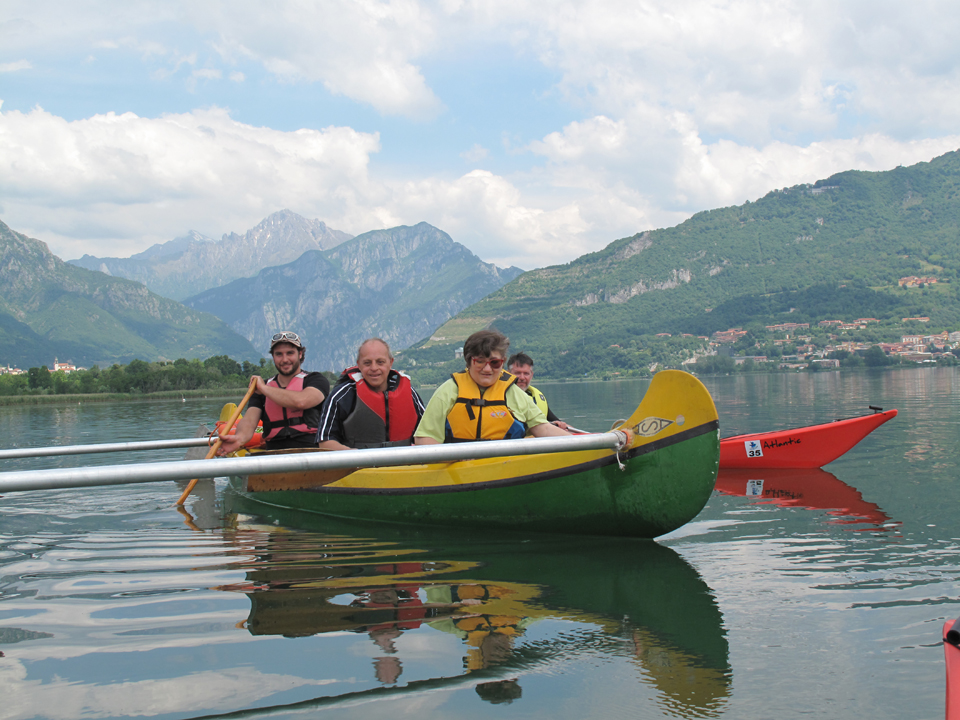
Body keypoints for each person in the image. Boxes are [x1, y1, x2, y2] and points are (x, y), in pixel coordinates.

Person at [414, 329, 571, 444]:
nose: (487, 369)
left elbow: (543, 428)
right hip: (457, 469)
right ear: (469, 361)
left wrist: (590, 444)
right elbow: (424, 438)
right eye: (480, 361)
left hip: (505, 467)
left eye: (494, 363)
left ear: (502, 362)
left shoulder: (513, 393)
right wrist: (453, 457)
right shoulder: (448, 391)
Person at [218, 331, 329, 454]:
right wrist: (239, 439)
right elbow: (250, 421)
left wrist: (264, 389)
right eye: (279, 354)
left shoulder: (316, 380)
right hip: (275, 453)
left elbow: (301, 401)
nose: (285, 359)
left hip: (312, 451)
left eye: (290, 353)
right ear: (273, 357)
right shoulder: (260, 390)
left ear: (300, 354)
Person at [317, 338, 425, 450]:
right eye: (367, 363)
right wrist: (354, 456)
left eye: (380, 362)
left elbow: (427, 433)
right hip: (359, 465)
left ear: (390, 362)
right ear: (358, 364)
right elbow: (325, 441)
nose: (374, 368)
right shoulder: (342, 395)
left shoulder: (410, 393)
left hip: (405, 464)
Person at [506, 352, 569, 431]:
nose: (522, 377)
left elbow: (561, 424)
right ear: (508, 373)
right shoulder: (501, 397)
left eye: (526, 373)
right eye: (518, 373)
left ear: (531, 375)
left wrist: (561, 425)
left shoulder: (537, 396)